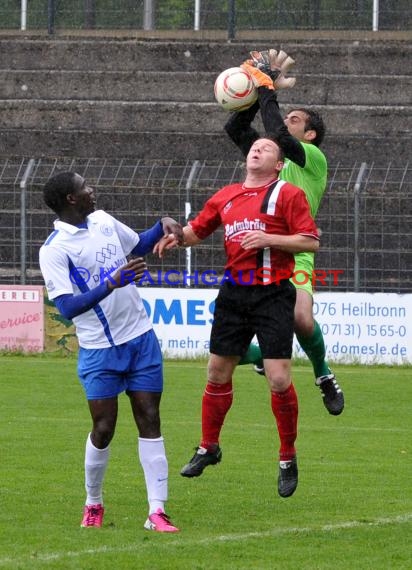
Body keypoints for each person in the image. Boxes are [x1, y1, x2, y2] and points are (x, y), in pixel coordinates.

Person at [156, 136, 319, 498]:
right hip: (234, 293)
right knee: (216, 371)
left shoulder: (288, 194)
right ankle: (209, 447)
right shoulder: (226, 195)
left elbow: (310, 241)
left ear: (278, 164)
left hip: (274, 293)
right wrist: (173, 236)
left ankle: (287, 456)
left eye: (267, 149)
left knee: (278, 379)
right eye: (254, 147)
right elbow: (196, 231)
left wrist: (270, 240)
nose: (257, 150)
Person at [39, 171, 182, 532]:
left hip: (140, 337)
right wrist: (112, 283)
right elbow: (68, 307)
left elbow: (140, 244)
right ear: (71, 199)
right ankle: (93, 502)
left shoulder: (102, 220)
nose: (92, 189)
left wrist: (161, 224)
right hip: (100, 350)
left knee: (150, 417)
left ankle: (157, 511)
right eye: (84, 187)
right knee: (103, 428)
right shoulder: (54, 249)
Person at [224, 48, 344, 416]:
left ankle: (323, 375)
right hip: (255, 251)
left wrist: (266, 87)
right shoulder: (273, 160)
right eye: (286, 117)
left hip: (296, 248)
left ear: (308, 134)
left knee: (301, 318)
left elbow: (275, 130)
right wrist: (253, 95)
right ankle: (265, 354)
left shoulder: (312, 159)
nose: (284, 123)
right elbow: (235, 129)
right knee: (230, 347)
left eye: (294, 120)